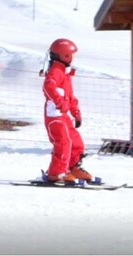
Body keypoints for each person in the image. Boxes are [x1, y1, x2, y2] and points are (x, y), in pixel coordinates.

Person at [42, 38, 93, 183]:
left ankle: (72, 168)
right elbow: (48, 87)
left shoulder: (65, 73)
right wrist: (60, 103)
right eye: (72, 55)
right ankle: (56, 173)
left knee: (76, 142)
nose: (73, 59)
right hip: (55, 116)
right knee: (63, 142)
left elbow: (70, 96)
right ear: (65, 56)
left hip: (64, 116)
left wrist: (75, 112)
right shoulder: (56, 71)